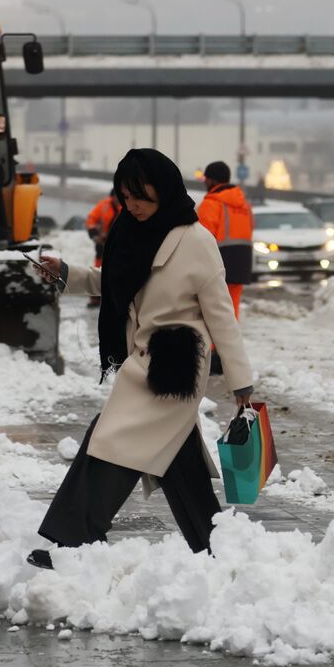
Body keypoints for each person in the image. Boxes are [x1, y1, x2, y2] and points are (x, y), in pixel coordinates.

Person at [27, 148, 253, 568]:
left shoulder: (196, 240)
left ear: (164, 193)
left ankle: (75, 541)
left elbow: (222, 315)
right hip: (144, 359)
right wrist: (65, 273)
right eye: (126, 197)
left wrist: (242, 383)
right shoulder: (128, 231)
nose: (133, 206)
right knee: (176, 459)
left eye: (142, 198)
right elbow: (112, 281)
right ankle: (216, 545)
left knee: (111, 441)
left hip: (176, 365)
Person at [194, 161, 254, 319]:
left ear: (213, 180)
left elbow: (202, 237)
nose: (205, 182)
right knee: (232, 303)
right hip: (242, 259)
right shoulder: (244, 204)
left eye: (206, 178)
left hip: (219, 259)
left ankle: (216, 342)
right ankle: (230, 339)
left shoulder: (211, 204)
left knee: (213, 306)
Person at [85, 194, 121, 269]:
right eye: (116, 196)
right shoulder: (104, 205)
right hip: (102, 239)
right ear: (112, 196)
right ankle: (98, 272)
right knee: (100, 255)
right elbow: (91, 219)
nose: (117, 199)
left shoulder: (128, 207)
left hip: (118, 241)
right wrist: (94, 233)